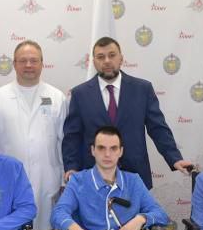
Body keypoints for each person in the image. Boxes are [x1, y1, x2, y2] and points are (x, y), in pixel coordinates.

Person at [0, 40, 66, 230]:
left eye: (34, 60)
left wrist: (63, 181)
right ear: (14, 64)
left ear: (43, 64)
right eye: (23, 60)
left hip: (48, 182)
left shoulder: (57, 97)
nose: (29, 65)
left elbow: (63, 141)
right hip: (8, 186)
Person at [62, 36, 191, 189]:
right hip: (93, 179)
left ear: (121, 58)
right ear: (94, 61)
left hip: (135, 176)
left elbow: (158, 128)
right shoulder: (80, 94)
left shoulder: (142, 89)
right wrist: (71, 167)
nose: (107, 61)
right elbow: (72, 136)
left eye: (112, 55)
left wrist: (175, 158)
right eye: (101, 57)